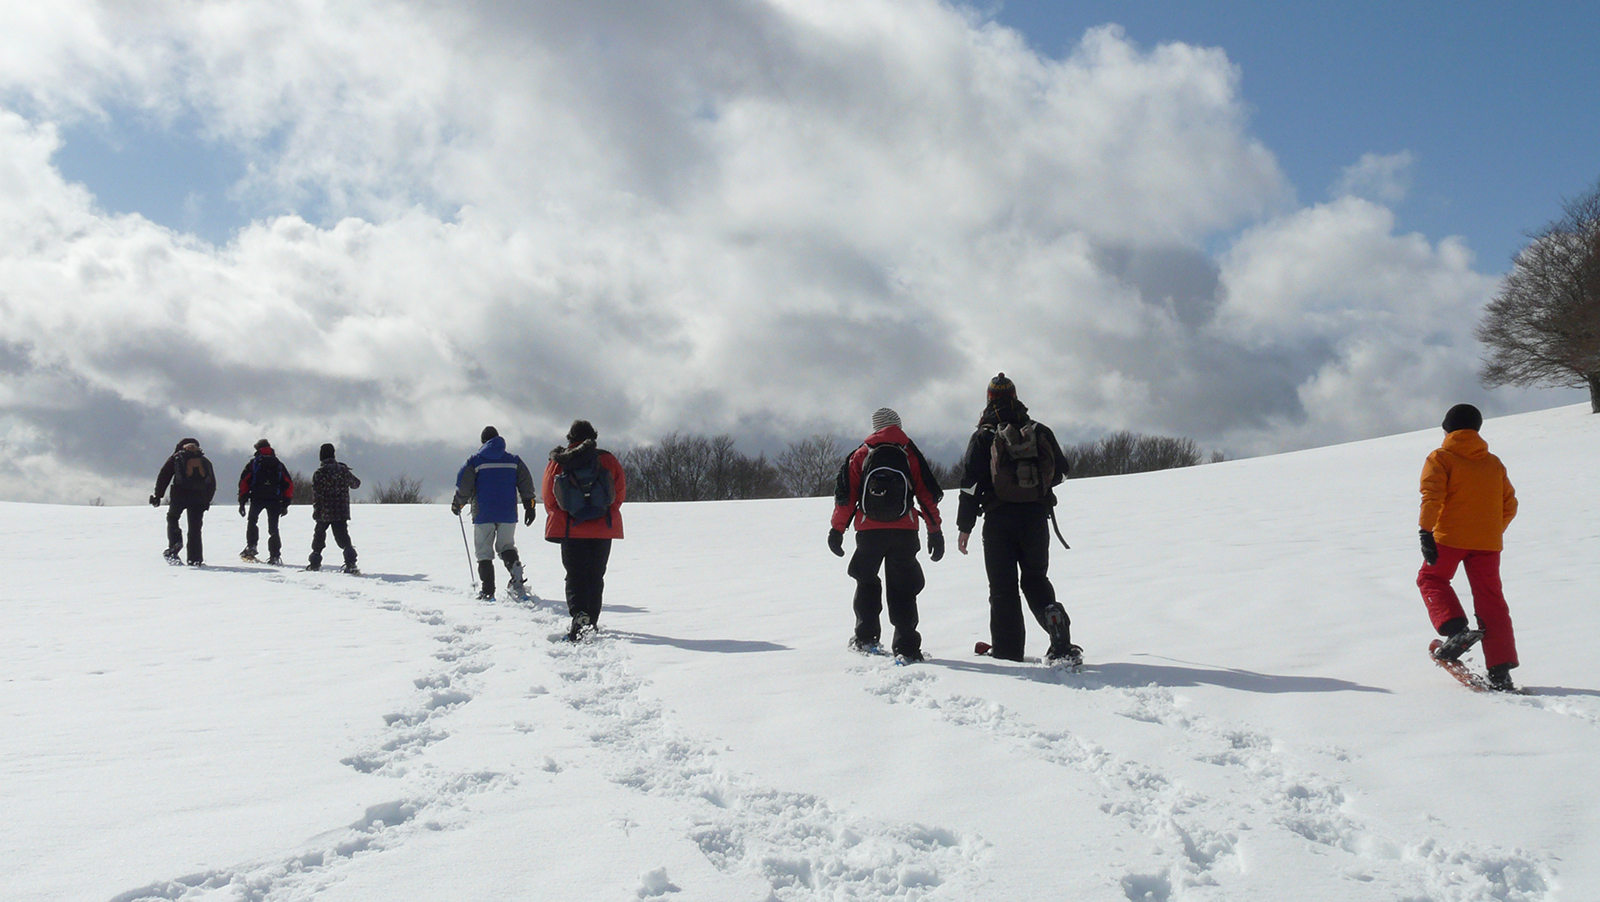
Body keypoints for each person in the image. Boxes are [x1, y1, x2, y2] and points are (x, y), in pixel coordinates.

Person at [955, 373, 1079, 664]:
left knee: (1002, 589)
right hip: (1036, 518)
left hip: (998, 521)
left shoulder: (984, 435)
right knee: (1036, 579)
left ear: (989, 399)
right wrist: (1036, 488)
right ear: (1015, 396)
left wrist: (965, 526)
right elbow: (1061, 470)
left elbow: (970, 484)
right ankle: (1056, 626)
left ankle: (1008, 652)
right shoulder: (1040, 431)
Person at [828, 408, 944, 662]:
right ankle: (907, 647)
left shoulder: (861, 454)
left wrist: (837, 530)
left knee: (866, 581)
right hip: (905, 532)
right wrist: (935, 531)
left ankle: (866, 639)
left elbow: (846, 498)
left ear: (875, 427)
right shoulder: (911, 455)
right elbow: (926, 496)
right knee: (903, 588)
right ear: (898, 426)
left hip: (869, 532)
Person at [1418, 403, 1521, 691]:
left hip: (1449, 537)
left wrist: (1426, 531)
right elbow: (1510, 504)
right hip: (1488, 543)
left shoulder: (1442, 457)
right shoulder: (1493, 463)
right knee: (1491, 600)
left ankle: (1456, 630)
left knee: (1430, 578)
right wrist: (1489, 530)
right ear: (1476, 429)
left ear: (1447, 428)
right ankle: (1500, 671)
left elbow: (1432, 495)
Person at [543, 419, 626, 641]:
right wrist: (604, 513)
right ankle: (592, 620)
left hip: (572, 529)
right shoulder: (607, 460)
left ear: (570, 438)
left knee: (575, 574)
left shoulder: (558, 462)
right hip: (602, 529)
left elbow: (549, 497)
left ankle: (579, 615)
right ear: (593, 437)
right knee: (596, 575)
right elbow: (618, 493)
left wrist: (567, 516)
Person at [452, 426, 537, 600]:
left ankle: (488, 591)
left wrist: (458, 503)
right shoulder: (513, 460)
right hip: (508, 512)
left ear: (483, 442)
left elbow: (465, 484)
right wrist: (530, 505)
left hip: (483, 512)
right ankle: (515, 570)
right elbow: (526, 482)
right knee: (506, 546)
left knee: (484, 552)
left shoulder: (475, 460)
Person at [151, 437, 217, 566]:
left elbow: (164, 476)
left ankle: (175, 544)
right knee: (195, 528)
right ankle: (195, 558)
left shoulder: (176, 458)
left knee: (173, 518)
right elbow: (212, 483)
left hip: (179, 496)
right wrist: (207, 500)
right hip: (199, 498)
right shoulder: (204, 461)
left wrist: (158, 496)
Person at [237, 438, 294, 564]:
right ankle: (274, 555)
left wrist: (242, 501)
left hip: (257, 497)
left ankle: (252, 546)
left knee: (252, 521)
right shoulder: (278, 463)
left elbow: (244, 482)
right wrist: (286, 503)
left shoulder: (254, 463)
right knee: (273, 528)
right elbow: (288, 483)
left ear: (257, 449)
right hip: (274, 499)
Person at [308, 443, 361, 573]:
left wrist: (316, 511)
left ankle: (315, 563)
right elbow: (356, 484)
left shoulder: (319, 473)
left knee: (319, 538)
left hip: (324, 510)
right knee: (344, 538)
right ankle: (351, 563)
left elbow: (316, 495)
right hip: (340, 510)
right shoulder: (342, 470)